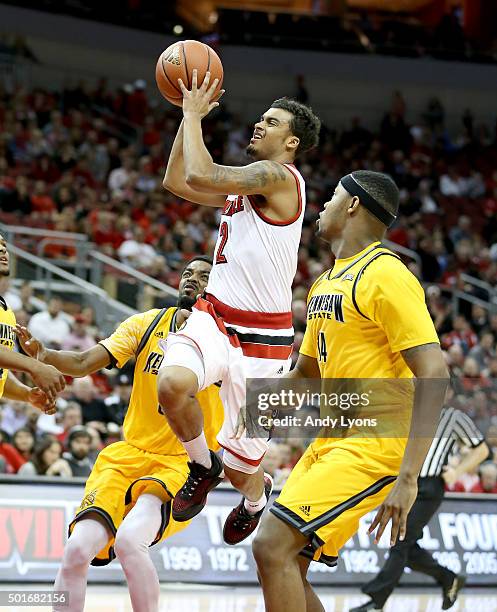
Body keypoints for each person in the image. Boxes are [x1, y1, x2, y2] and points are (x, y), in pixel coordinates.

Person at [250, 170, 449, 612]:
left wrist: (409, 479)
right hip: (333, 439)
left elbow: (433, 371)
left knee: (270, 545)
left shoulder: (386, 274)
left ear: (354, 205)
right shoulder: (324, 283)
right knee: (287, 564)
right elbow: (307, 373)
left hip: (376, 441)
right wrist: (248, 408)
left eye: (332, 196)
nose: (322, 206)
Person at [158, 70, 321, 544]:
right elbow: (176, 179)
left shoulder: (278, 176)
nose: (257, 125)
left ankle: (255, 497)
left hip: (265, 344)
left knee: (242, 470)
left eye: (270, 123)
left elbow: (200, 173)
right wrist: (185, 121)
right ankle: (200, 466)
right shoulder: (247, 186)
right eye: (260, 118)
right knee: (171, 385)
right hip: (216, 316)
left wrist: (192, 114)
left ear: (290, 142)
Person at [16, 257, 224, 612]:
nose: (192, 279)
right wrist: (45, 354)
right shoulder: (147, 323)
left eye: (204, 276)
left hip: (181, 465)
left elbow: (256, 400)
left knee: (129, 541)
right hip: (129, 454)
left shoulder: (227, 340)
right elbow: (83, 363)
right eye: (188, 273)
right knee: (77, 550)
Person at [352, 406, 489, 611]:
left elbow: (482, 449)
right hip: (404, 483)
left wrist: (458, 471)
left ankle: (376, 600)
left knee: (401, 541)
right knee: (407, 546)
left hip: (430, 487)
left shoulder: (454, 417)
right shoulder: (405, 412)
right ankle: (448, 578)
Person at [0, 234, 65, 408]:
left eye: (4, 246)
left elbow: (1, 373)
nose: (2, 250)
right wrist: (35, 367)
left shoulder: (6, 312)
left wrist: (26, 394)